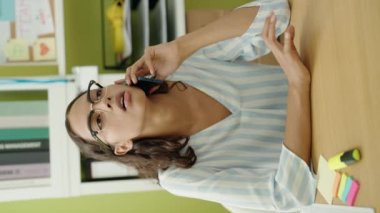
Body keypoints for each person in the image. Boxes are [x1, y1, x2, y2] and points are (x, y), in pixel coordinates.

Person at [65, 0, 317, 212]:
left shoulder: (182, 67)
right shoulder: (179, 176)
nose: (104, 103)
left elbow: (277, 12)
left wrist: (182, 46)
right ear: (121, 147)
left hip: (327, 90)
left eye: (97, 94)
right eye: (98, 121)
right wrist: (297, 86)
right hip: (333, 161)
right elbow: (290, 194)